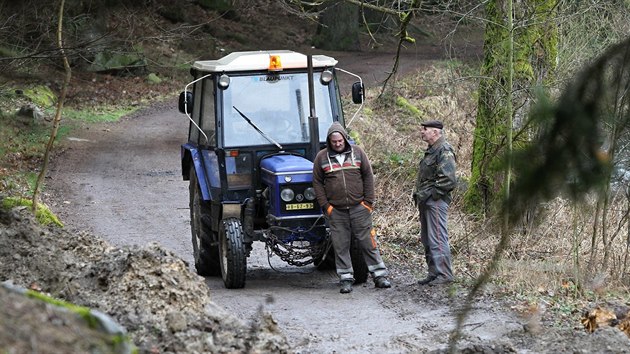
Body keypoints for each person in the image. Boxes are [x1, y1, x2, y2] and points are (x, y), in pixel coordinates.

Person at [313, 122, 391, 294]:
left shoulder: (358, 153)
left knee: (368, 242)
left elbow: (368, 176)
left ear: (345, 139)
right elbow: (317, 183)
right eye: (334, 142)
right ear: (329, 141)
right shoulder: (321, 157)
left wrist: (368, 202)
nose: (338, 144)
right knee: (340, 245)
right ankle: (346, 278)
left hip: (359, 208)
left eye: (340, 141)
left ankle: (380, 275)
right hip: (336, 210)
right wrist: (326, 206)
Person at [412, 120, 457, 286]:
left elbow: (448, 179)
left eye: (425, 129)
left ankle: (444, 274)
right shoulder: (432, 150)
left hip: (435, 202)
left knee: (438, 237)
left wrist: (433, 195)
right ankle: (433, 273)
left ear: (436, 132)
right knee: (428, 238)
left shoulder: (444, 149)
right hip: (426, 200)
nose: (422, 132)